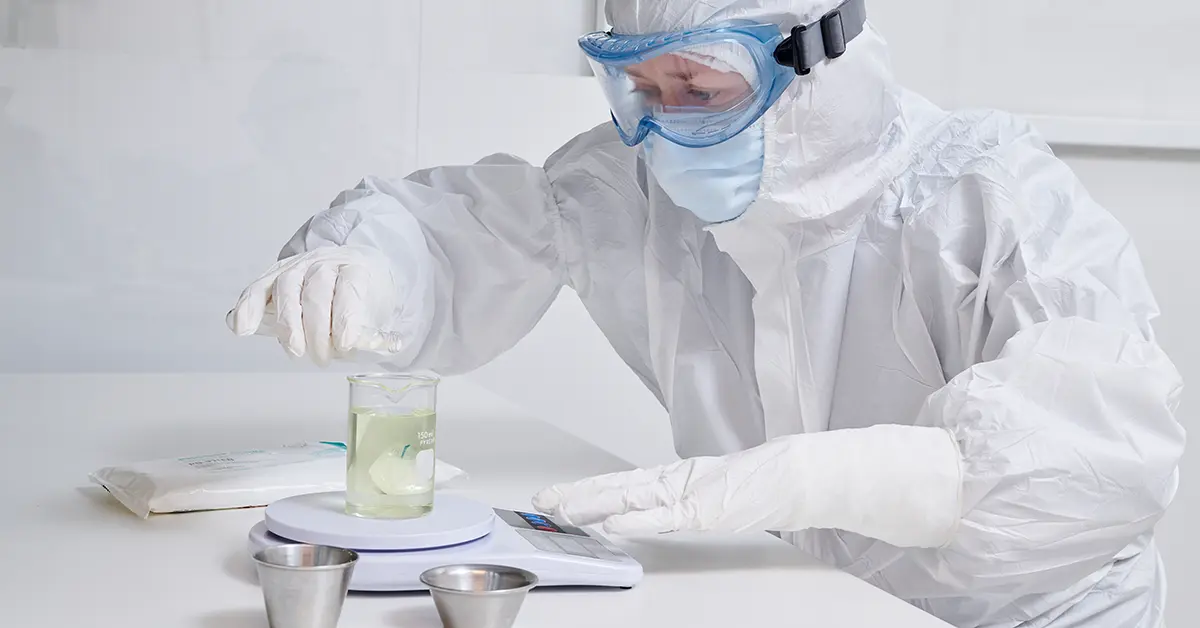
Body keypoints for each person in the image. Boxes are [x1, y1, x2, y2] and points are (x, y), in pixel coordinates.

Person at [227, 1, 1185, 625]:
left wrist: (827, 478)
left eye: (700, 85)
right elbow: (466, 228)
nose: (663, 123)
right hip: (819, 603)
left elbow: (1109, 452)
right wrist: (368, 260)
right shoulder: (644, 185)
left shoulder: (987, 191)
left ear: (816, 55)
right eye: (638, 86)